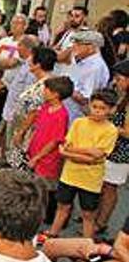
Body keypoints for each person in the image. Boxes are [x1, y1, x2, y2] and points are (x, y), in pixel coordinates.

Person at [47, 89, 120, 238]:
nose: (97, 111)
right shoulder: (79, 122)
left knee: (88, 214)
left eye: (102, 108)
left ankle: (87, 244)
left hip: (91, 180)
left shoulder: (111, 130)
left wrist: (71, 153)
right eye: (95, 107)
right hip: (69, 175)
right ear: (89, 105)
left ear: (111, 109)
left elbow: (98, 155)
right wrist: (88, 153)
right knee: (62, 207)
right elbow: (73, 150)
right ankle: (52, 234)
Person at [24, 76, 74, 193]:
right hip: (34, 154)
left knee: (43, 191)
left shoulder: (61, 115)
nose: (43, 91)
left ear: (55, 94)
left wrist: (37, 158)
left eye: (46, 89)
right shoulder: (46, 107)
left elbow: (54, 141)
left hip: (46, 161)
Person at [95, 61, 129, 232]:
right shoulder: (121, 94)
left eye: (119, 78)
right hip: (111, 146)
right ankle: (97, 216)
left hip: (121, 151)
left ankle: (102, 222)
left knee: (110, 187)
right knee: (103, 183)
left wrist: (107, 123)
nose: (116, 82)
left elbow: (128, 132)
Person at [65, 30, 111, 123]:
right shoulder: (82, 60)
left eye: (78, 44)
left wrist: (65, 88)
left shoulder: (95, 67)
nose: (74, 46)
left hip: (77, 117)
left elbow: (86, 99)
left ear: (91, 47)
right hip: (69, 113)